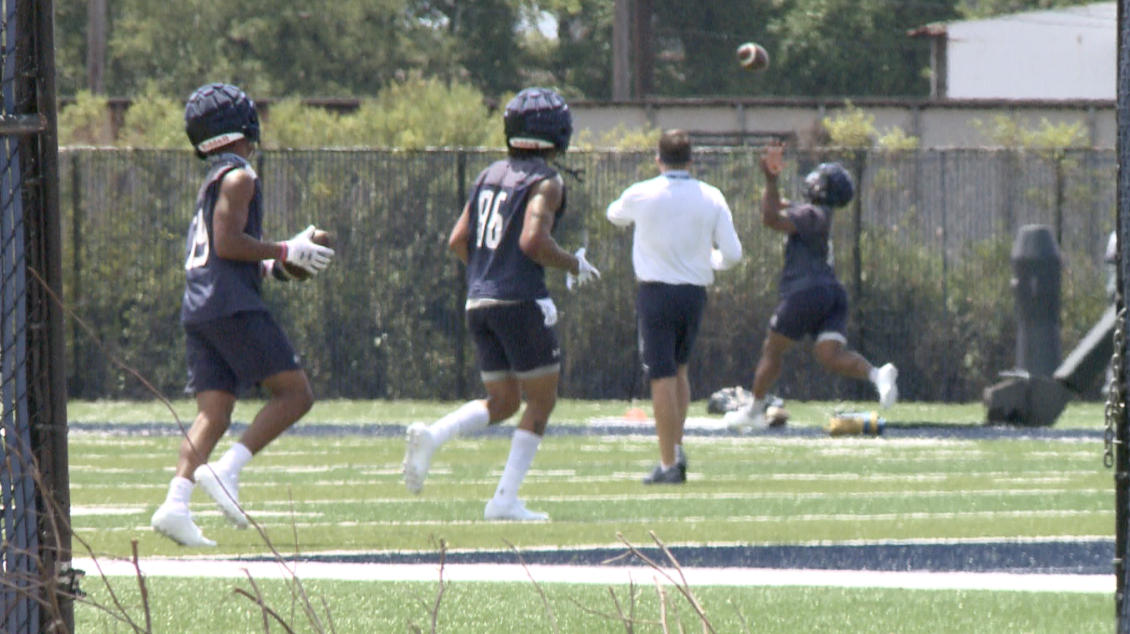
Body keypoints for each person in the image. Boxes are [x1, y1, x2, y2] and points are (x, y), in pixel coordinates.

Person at [150, 83, 335, 546]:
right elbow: (229, 243)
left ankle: (175, 503)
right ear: (242, 125)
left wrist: (275, 266)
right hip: (230, 304)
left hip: (201, 305)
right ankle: (227, 470)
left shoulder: (213, 180)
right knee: (296, 394)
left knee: (214, 412)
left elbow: (221, 252)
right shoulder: (239, 177)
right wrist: (285, 249)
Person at [401, 87, 599, 521]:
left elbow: (458, 240)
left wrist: (490, 273)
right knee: (542, 400)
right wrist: (572, 263)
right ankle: (504, 501)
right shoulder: (546, 182)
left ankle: (434, 436)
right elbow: (533, 241)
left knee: (504, 400)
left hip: (479, 299)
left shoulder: (488, 174)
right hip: (519, 299)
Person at [723, 144, 898, 432]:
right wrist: (771, 186)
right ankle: (877, 375)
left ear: (823, 187)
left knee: (772, 349)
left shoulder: (812, 214)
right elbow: (777, 206)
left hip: (805, 290)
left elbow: (770, 218)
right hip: (832, 293)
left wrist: (770, 179)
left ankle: (753, 411)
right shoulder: (818, 214)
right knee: (830, 356)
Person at [606, 129, 742, 484]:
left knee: (661, 377)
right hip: (694, 295)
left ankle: (668, 464)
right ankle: (676, 450)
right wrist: (710, 261)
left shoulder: (643, 192)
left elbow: (614, 214)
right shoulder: (711, 196)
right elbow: (733, 254)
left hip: (656, 294)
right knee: (680, 371)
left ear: (658, 160)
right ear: (691, 160)